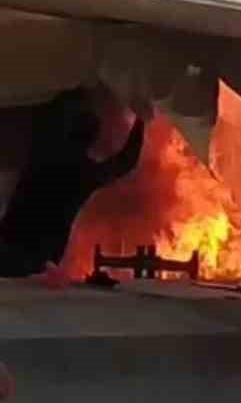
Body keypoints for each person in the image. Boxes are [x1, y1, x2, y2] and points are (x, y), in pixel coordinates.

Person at [0, 87, 147, 278]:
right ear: (90, 141)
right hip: (34, 258)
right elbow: (125, 161)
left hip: (10, 247)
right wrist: (141, 121)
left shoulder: (42, 155)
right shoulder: (81, 174)